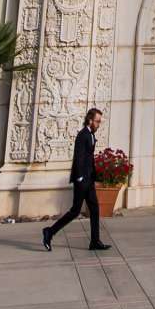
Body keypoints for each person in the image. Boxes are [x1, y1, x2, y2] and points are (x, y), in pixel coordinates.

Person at [41, 107, 111, 251]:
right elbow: (78, 158)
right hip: (82, 180)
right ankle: (49, 232)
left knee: (95, 209)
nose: (98, 124)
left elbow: (88, 157)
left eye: (99, 122)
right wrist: (79, 178)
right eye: (97, 121)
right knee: (75, 211)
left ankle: (95, 241)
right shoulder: (82, 135)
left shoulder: (91, 135)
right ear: (90, 120)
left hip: (88, 179)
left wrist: (93, 176)